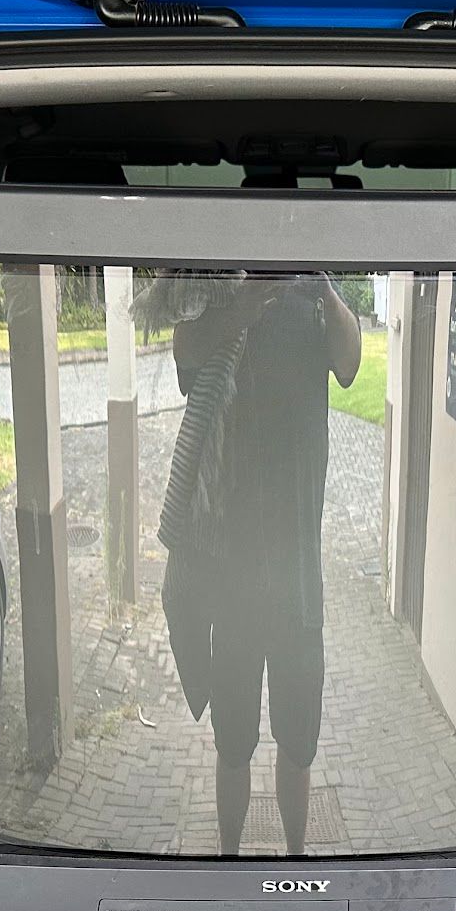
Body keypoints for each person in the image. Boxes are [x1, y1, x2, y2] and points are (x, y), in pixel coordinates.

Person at [165, 273, 361, 855]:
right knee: (233, 744)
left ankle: (296, 861)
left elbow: (350, 364)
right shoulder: (225, 296)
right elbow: (184, 349)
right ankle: (230, 860)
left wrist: (324, 284)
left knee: (298, 746)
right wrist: (243, 307)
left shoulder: (313, 301)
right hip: (234, 578)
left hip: (300, 578)